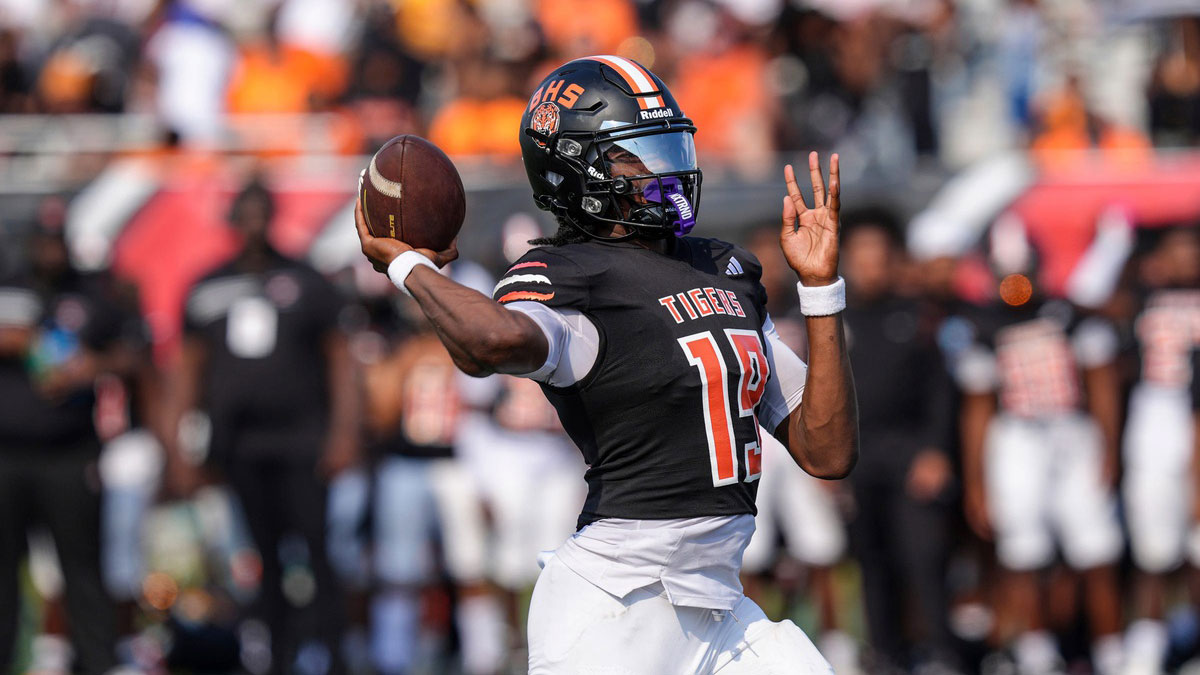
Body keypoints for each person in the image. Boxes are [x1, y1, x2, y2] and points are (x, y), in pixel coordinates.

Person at [355, 55, 857, 674]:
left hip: (719, 603)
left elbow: (826, 451)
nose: (663, 172)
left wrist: (820, 292)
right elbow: (489, 343)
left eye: (667, 149)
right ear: (574, 169)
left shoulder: (721, 265)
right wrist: (409, 266)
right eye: (635, 154)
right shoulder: (566, 276)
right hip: (620, 604)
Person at [164, 179, 357, 675]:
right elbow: (188, 370)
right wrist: (179, 449)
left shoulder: (307, 281)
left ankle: (334, 657)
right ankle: (277, 657)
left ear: (271, 216)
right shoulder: (208, 286)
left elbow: (340, 360)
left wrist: (343, 433)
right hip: (241, 443)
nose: (252, 224)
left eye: (259, 213)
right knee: (263, 559)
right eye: (243, 214)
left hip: (303, 438)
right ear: (232, 219)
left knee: (316, 550)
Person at [956, 216, 1124, 675]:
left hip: (1073, 433)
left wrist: (1109, 448)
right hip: (1017, 440)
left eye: (1023, 271)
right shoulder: (982, 325)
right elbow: (978, 408)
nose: (1015, 283)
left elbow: (1101, 382)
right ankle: (1035, 654)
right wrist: (976, 479)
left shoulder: (1066, 313)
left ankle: (1112, 654)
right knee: (1023, 552)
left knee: (1096, 549)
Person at [0, 213, 135, 673]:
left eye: (58, 240)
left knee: (82, 572)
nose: (50, 250)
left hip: (70, 454)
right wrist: (26, 343)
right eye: (43, 240)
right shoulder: (8, 287)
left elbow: (132, 352)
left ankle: (97, 664)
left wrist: (92, 365)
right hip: (7, 455)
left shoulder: (90, 293)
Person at [839, 211, 958, 673]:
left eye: (880, 254)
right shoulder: (830, 315)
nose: (872, 264)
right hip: (855, 456)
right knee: (872, 562)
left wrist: (935, 451)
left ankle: (944, 655)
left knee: (924, 558)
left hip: (912, 454)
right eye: (863, 254)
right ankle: (886, 656)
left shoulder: (917, 315)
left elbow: (941, 392)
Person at [1121, 226, 1200, 675]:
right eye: (1178, 251)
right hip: (1156, 411)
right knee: (1153, 543)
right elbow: (1088, 294)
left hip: (1197, 410)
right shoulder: (1138, 298)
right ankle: (1146, 648)